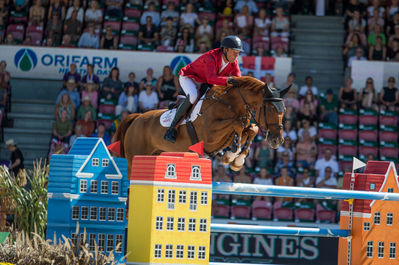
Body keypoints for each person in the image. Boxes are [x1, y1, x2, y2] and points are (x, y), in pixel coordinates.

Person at [164, 35, 243, 142]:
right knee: (193, 96)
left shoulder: (234, 62)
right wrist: (229, 81)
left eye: (238, 53)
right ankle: (171, 129)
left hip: (204, 81)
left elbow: (238, 79)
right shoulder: (211, 57)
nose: (236, 55)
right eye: (234, 52)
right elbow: (211, 78)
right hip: (189, 77)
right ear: (225, 50)